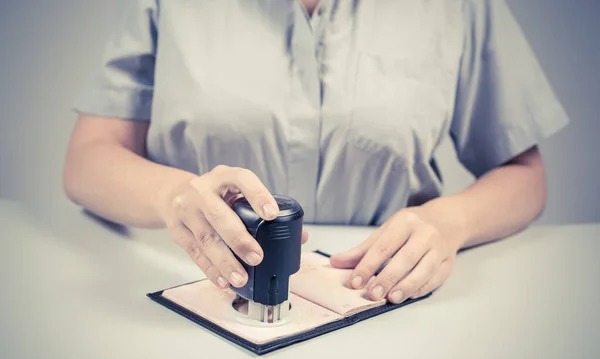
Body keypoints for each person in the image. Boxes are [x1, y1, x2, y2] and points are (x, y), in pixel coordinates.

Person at [63, 0, 569, 305]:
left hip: (380, 304)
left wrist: (450, 221)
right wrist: (173, 197)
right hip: (193, 287)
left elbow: (524, 175)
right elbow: (89, 158)